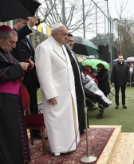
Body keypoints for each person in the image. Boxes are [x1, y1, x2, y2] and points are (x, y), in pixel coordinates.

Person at [35, 23, 79, 156]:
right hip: (56, 93)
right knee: (57, 121)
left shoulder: (62, 47)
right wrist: (50, 94)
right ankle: (58, 148)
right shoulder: (44, 48)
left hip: (68, 92)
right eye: (64, 34)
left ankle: (70, 144)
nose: (67, 37)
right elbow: (44, 73)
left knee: (68, 120)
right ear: (55, 34)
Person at [0, 25, 33, 164]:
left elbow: (14, 69)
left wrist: (26, 66)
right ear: (1, 39)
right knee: (6, 134)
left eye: (15, 43)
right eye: (11, 42)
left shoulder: (6, 54)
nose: (14, 46)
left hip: (13, 98)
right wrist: (19, 68)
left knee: (15, 131)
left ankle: (17, 160)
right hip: (3, 100)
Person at [11, 17, 43, 139]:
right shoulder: (13, 36)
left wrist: (36, 81)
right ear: (16, 22)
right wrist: (29, 25)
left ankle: (35, 132)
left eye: (27, 24)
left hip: (30, 78)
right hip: (19, 78)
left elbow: (32, 57)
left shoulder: (27, 38)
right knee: (21, 108)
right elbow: (16, 37)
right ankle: (21, 133)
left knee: (33, 105)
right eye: (24, 24)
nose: (26, 26)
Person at [65, 33, 87, 135]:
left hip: (78, 85)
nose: (71, 43)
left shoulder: (72, 53)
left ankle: (80, 127)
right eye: (69, 41)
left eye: (72, 41)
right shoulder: (64, 53)